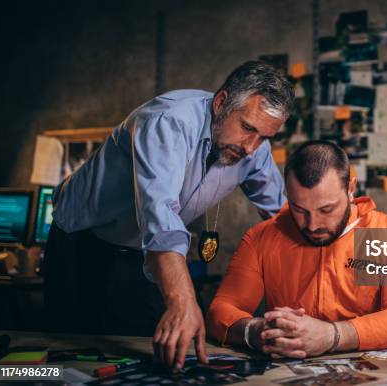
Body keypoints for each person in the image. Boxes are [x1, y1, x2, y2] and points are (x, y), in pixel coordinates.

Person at [44, 61, 294, 369]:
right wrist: (181, 300)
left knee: (158, 354)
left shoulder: (254, 150)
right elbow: (161, 216)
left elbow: (282, 219)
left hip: (143, 252)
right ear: (220, 103)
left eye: (264, 137)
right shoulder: (168, 121)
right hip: (82, 241)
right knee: (70, 357)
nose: (251, 146)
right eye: (247, 128)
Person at [207, 141, 387, 358]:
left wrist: (333, 335)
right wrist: (256, 331)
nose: (312, 225)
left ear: (350, 189)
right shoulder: (261, 237)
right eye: (299, 209)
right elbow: (220, 310)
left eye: (326, 209)